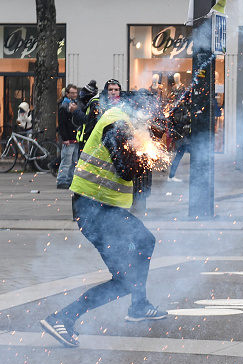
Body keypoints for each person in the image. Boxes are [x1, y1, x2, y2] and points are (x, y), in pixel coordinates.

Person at [40, 100, 168, 348]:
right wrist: (147, 153)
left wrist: (149, 144)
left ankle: (138, 305)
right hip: (94, 210)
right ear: (143, 114)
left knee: (142, 245)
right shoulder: (117, 124)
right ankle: (63, 318)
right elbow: (126, 169)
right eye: (153, 123)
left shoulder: (127, 126)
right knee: (127, 275)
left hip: (102, 209)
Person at [56, 84, 79, 189]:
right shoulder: (64, 106)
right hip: (69, 138)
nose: (75, 94)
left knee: (74, 161)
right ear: (67, 93)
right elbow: (62, 124)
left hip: (74, 138)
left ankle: (69, 180)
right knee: (66, 161)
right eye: (72, 93)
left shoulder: (73, 104)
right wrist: (65, 138)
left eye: (75, 92)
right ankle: (62, 180)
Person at [72, 80, 100, 152]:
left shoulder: (94, 103)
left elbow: (87, 120)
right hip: (85, 139)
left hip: (88, 140)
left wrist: (75, 111)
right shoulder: (91, 103)